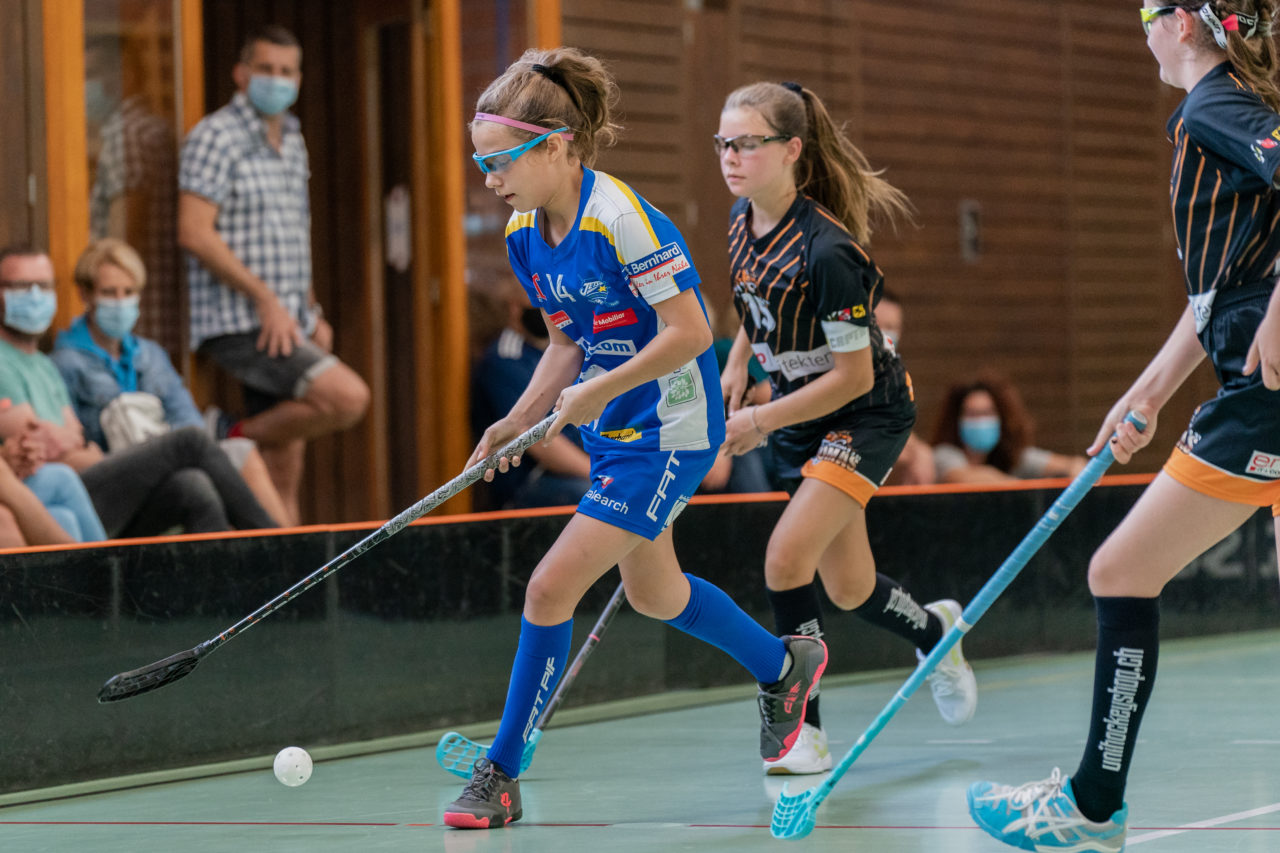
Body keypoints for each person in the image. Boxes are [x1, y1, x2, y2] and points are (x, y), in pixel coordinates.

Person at [445, 47, 828, 830]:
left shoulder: (619, 218)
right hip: (615, 427)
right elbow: (565, 340)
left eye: (500, 161)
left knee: (549, 587)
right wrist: (519, 418)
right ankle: (784, 663)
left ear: (557, 147)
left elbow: (690, 330)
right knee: (656, 592)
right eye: (481, 164)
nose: (489, 180)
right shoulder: (523, 234)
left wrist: (597, 388)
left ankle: (502, 771)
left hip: (673, 429)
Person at [968, 3, 1280, 850]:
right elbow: (1219, 289)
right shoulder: (1225, 110)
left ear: (1181, 24)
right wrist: (1148, 391)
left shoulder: (1215, 106)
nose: (1140, 30)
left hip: (1264, 394)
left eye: (1146, 13)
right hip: (1249, 380)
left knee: (1120, 570)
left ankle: (1093, 804)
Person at [715, 81, 978, 775]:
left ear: (791, 150)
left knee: (785, 559)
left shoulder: (828, 252)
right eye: (723, 143)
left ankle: (803, 729)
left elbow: (854, 377)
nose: (731, 157)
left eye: (746, 144)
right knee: (851, 587)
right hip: (801, 414)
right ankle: (937, 631)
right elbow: (756, 301)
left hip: (865, 414)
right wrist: (739, 360)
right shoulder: (742, 220)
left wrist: (758, 419)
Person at [178, 24, 370, 526]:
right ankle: (226, 434)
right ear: (241, 74)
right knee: (348, 398)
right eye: (265, 68)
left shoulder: (293, 136)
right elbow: (194, 232)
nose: (276, 79)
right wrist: (265, 300)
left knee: (285, 461)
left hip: (288, 320)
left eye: (287, 71)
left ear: (299, 79)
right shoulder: (215, 136)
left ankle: (287, 559)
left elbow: (291, 232)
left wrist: (311, 310)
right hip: (239, 320)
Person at [0, 245, 277, 538]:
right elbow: (41, 451)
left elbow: (74, 439)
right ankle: (278, 544)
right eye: (21, 287)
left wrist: (79, 448)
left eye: (43, 286)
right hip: (73, 489)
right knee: (189, 442)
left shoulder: (43, 364)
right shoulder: (56, 360)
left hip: (99, 481)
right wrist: (100, 454)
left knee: (192, 486)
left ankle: (242, 565)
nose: (34, 296)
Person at [468, 275, 592, 509]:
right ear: (514, 308)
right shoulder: (505, 359)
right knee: (603, 499)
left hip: (582, 466)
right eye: (537, 305)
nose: (545, 312)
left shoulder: (571, 348)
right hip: (533, 481)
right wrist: (597, 474)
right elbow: (536, 439)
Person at [931, 371, 1087, 483]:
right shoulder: (944, 454)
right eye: (972, 414)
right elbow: (964, 477)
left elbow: (1073, 464)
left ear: (1003, 419)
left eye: (987, 413)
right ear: (956, 420)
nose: (980, 421)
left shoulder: (1014, 456)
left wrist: (1075, 469)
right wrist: (1023, 488)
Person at [874, 289, 935, 486]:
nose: (884, 333)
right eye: (877, 325)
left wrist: (919, 451)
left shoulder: (893, 377)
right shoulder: (843, 371)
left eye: (891, 327)